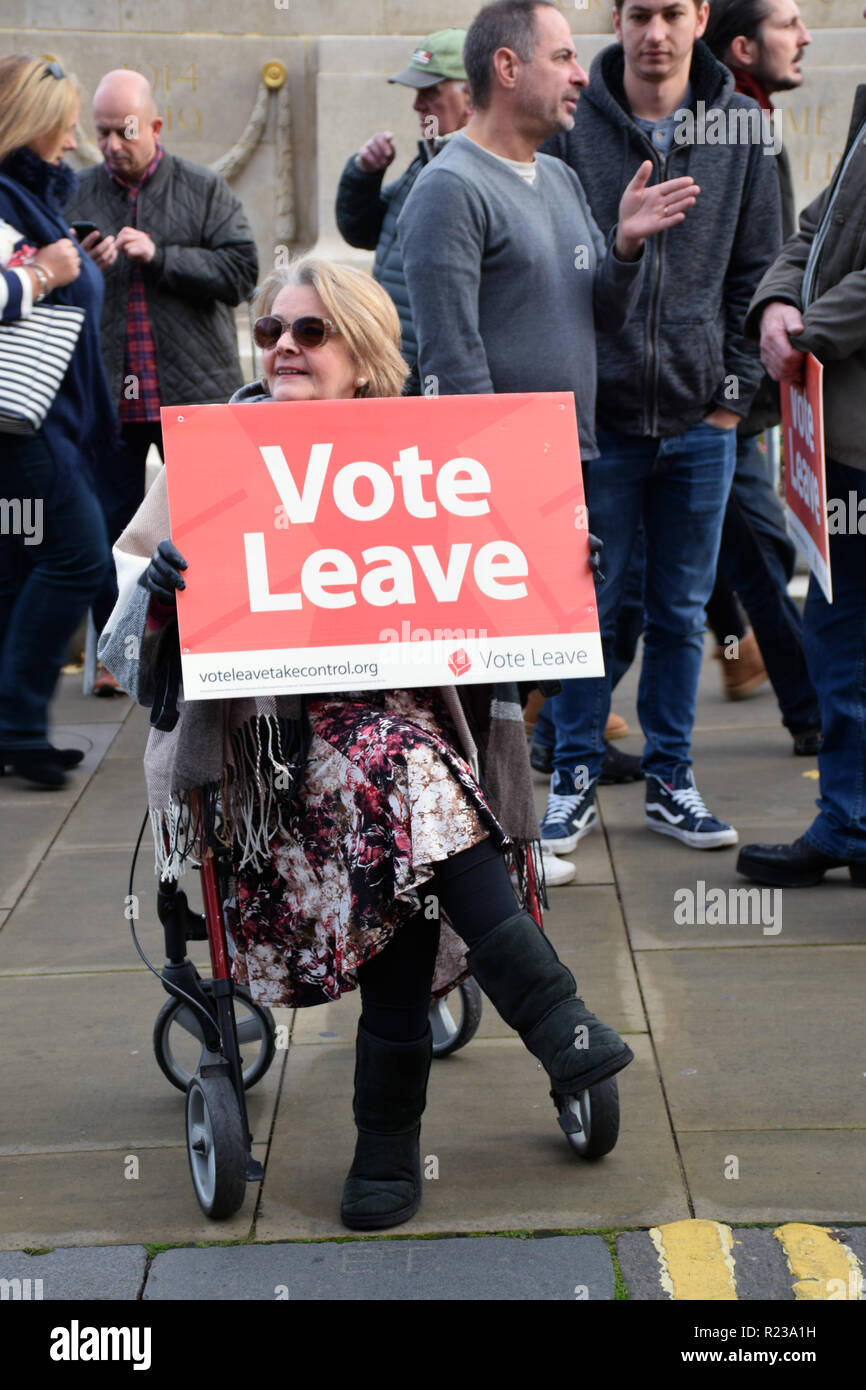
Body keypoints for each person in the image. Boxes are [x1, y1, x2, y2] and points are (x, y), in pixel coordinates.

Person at [97, 254, 634, 1231]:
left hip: (405, 785)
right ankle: (541, 1026)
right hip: (266, 783)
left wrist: (552, 574)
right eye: (269, 331)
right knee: (404, 780)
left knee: (402, 787)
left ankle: (390, 1142)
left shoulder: (427, 461)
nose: (284, 348)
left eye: (309, 332)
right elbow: (121, 648)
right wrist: (157, 593)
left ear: (362, 351)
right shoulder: (209, 454)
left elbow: (505, 652)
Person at [398, 1, 700, 860]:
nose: (581, 74)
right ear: (505, 68)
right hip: (497, 486)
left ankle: (507, 843)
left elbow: (592, 313)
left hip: (571, 462)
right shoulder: (449, 189)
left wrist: (625, 251)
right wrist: (504, 499)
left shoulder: (561, 177)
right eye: (564, 57)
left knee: (531, 672)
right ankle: (477, 857)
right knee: (488, 679)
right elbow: (453, 367)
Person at [538, 0, 781, 855]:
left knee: (681, 612)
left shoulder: (744, 125)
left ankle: (672, 779)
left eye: (673, 12)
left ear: (701, 16)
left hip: (699, 420)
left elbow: (762, 266)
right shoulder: (574, 117)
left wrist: (729, 393)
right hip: (597, 423)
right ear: (616, 16)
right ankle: (569, 776)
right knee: (585, 610)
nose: (655, 32)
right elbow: (552, 261)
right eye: (639, 12)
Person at [67, 69, 258, 692]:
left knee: (203, 528)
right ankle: (113, 661)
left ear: (154, 126)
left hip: (191, 397)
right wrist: (80, 270)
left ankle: (206, 644)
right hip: (109, 401)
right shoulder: (75, 193)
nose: (112, 144)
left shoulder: (204, 189)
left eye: (123, 130)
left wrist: (163, 256)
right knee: (113, 534)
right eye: (101, 132)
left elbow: (242, 271)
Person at [736, 71, 866, 888]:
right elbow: (817, 230)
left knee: (843, 639)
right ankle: (851, 819)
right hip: (843, 454)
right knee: (837, 638)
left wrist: (811, 327)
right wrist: (779, 303)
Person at [703, 0, 821, 754]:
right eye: (788, 23)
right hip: (724, 396)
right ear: (744, 46)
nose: (804, 35)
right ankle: (816, 715)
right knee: (761, 553)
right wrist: (734, 393)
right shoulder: (734, 127)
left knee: (737, 548)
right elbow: (749, 276)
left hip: (731, 395)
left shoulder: (746, 120)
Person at [0, 56, 115, 788]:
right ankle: (17, 721)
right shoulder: (7, 197)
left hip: (36, 425)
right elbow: (23, 279)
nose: (74, 144)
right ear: (36, 125)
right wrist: (47, 273)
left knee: (16, 568)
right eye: (68, 129)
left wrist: (78, 255)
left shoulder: (26, 197)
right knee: (80, 558)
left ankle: (13, 730)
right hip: (24, 426)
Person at [335, 29, 471, 393]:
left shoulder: (476, 170)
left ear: (471, 95)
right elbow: (363, 231)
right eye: (416, 93)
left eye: (431, 93)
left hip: (433, 379)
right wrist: (364, 174)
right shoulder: (426, 160)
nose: (417, 106)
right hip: (398, 368)